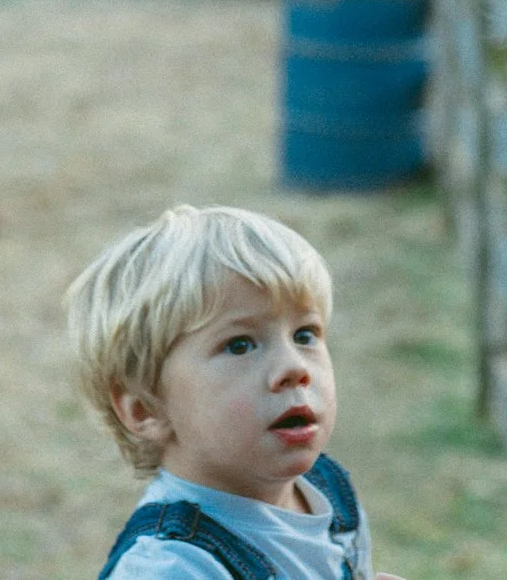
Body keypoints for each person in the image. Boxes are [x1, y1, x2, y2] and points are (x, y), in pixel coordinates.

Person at [66, 206, 404, 580]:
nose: (294, 368)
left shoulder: (326, 492)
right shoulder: (172, 568)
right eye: (240, 345)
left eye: (304, 335)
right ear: (146, 408)